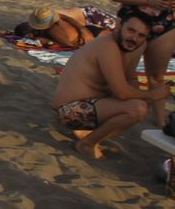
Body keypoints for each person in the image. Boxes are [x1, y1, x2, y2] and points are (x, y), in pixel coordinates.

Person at [52, 14, 166, 158]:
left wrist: (144, 97)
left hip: (95, 104)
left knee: (141, 103)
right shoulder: (107, 46)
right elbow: (121, 93)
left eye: (141, 35)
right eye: (131, 31)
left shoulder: (136, 45)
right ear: (119, 27)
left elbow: (130, 77)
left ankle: (91, 135)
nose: (134, 38)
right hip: (69, 111)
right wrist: (153, 94)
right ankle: (87, 143)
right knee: (137, 108)